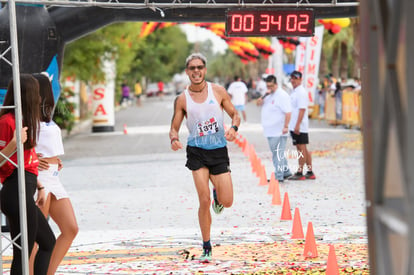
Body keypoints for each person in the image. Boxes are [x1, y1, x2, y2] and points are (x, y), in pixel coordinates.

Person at [169, 53, 240, 263]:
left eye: (200, 67)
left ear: (205, 70)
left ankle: (219, 195)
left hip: (218, 151)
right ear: (187, 72)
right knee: (203, 199)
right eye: (192, 68)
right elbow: (174, 127)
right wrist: (174, 139)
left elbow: (235, 114)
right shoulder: (182, 99)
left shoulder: (217, 91)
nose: (196, 71)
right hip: (196, 151)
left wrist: (234, 128)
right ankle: (206, 246)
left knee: (227, 201)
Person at [0, 74, 56, 275]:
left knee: (47, 242)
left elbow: (28, 161)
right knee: (24, 253)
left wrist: (40, 186)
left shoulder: (24, 121)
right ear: (27, 96)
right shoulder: (7, 122)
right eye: (36, 94)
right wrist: (14, 144)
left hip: (26, 188)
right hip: (15, 190)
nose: (40, 99)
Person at [29, 73, 78, 275]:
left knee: (70, 229)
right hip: (38, 178)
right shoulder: (25, 118)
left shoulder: (43, 117)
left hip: (53, 177)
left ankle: (47, 272)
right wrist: (30, 157)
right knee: (35, 238)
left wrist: (54, 160)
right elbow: (16, 147)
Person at [256, 75, 292, 182]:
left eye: (271, 86)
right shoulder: (269, 94)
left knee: (278, 154)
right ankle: (286, 172)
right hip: (270, 131)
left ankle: (278, 176)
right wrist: (263, 96)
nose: (269, 88)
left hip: (279, 131)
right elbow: (258, 104)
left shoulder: (282, 95)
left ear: (276, 84)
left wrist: (286, 126)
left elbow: (288, 112)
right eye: (267, 86)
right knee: (278, 153)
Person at [288, 71, 316, 180]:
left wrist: (297, 125)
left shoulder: (301, 92)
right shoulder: (294, 92)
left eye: (295, 78)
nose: (293, 80)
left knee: (301, 148)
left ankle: (300, 172)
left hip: (299, 125)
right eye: (292, 78)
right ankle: (310, 171)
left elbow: (302, 109)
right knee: (302, 147)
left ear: (300, 79)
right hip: (294, 124)